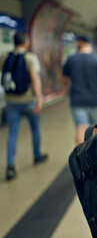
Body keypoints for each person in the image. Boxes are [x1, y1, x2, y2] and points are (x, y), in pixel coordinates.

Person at [0, 32, 48, 181]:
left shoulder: (5, 57)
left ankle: (10, 166)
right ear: (26, 42)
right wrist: (39, 99)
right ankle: (37, 156)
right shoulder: (30, 58)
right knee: (35, 128)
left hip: (11, 101)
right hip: (28, 101)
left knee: (12, 133)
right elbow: (35, 79)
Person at [62, 35, 97, 144]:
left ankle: (80, 159)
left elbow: (65, 80)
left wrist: (70, 88)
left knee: (81, 129)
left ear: (80, 42)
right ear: (90, 45)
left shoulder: (71, 60)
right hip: (95, 100)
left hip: (77, 101)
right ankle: (95, 157)